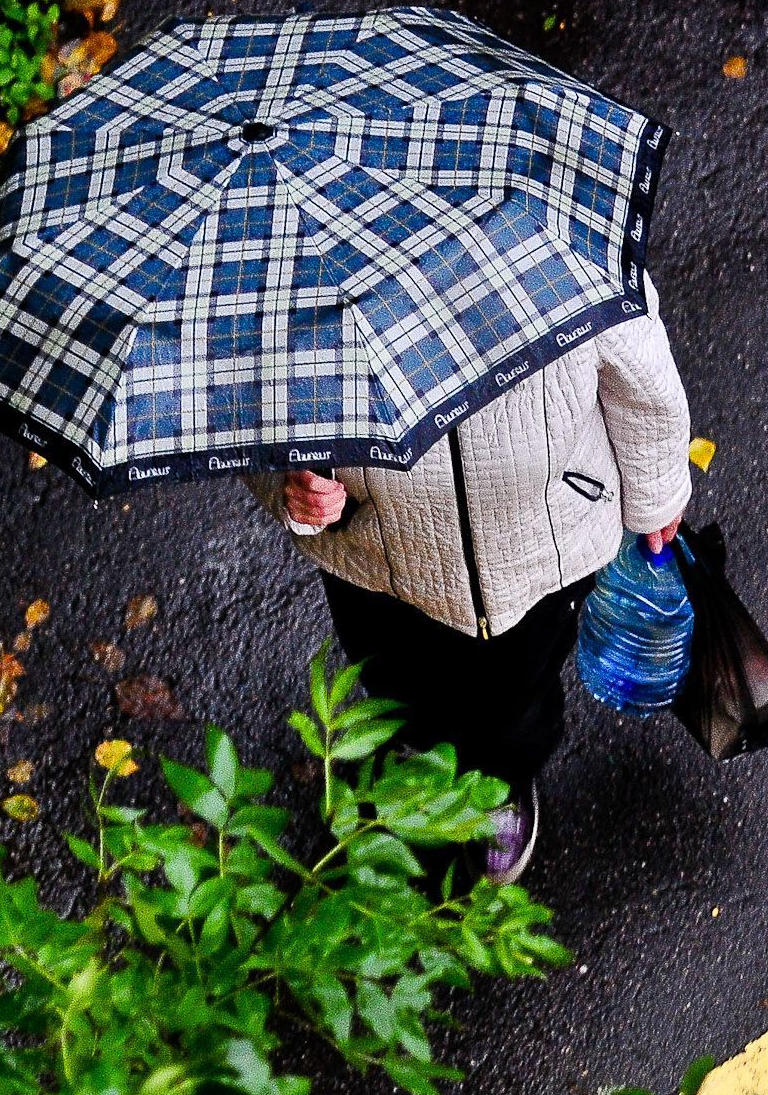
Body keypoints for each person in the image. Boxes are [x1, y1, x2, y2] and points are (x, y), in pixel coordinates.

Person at [241, 280, 693, 886]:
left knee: (515, 699)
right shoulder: (281, 281)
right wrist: (288, 487)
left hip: (540, 545)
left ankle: (501, 782)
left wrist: (656, 494)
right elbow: (242, 409)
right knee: (395, 681)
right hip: (377, 560)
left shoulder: (540, 236)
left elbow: (642, 378)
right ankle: (421, 755)